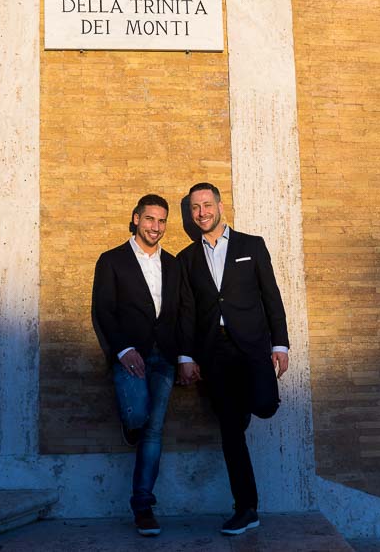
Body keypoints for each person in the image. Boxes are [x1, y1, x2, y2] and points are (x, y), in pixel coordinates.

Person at [177, 182, 289, 535]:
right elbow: (188, 312)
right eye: (195, 208)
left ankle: (245, 406)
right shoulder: (187, 259)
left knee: (266, 404)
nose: (202, 213)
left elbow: (271, 296)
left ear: (220, 206)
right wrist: (186, 356)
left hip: (253, 347)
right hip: (216, 351)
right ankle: (246, 508)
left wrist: (280, 345)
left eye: (207, 205)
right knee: (230, 433)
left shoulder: (251, 246)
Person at [91, 193, 181, 537]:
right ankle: (130, 426)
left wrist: (185, 355)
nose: (155, 227)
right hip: (130, 355)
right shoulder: (112, 260)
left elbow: (181, 314)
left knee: (154, 430)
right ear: (135, 218)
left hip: (165, 357)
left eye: (161, 221)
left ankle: (143, 506)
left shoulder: (173, 264)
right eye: (149, 219)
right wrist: (123, 349)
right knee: (138, 418)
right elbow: (103, 310)